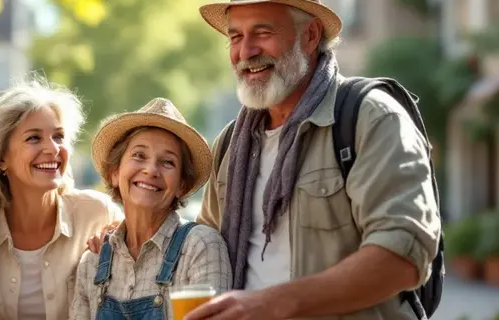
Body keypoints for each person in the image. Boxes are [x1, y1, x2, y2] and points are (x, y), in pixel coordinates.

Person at [184, 1, 442, 319]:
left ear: (309, 35)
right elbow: (205, 246)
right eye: (235, 37)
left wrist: (273, 303)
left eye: (262, 32)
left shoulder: (370, 117)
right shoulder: (230, 143)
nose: (246, 51)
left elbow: (402, 255)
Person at [0, 77, 122, 320]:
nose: (53, 149)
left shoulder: (98, 214)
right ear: (1, 157)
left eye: (58, 136)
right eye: (34, 138)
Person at [70, 98, 231, 319]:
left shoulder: (201, 247)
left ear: (182, 185)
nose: (151, 170)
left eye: (168, 162)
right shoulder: (93, 262)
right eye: (139, 155)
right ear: (114, 172)